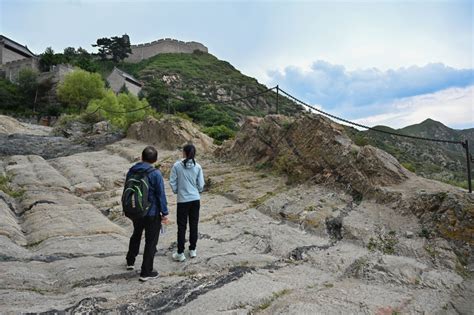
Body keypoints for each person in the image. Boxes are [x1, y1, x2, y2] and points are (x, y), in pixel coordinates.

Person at [125, 146, 169, 281]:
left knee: (136, 234)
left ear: (141, 156)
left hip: (136, 210)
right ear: (155, 159)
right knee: (151, 242)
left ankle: (130, 261)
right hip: (152, 212)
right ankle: (146, 272)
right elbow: (160, 194)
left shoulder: (132, 170)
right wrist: (165, 212)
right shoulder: (155, 173)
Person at [169, 144, 204, 262]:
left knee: (182, 226)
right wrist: (196, 191)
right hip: (195, 199)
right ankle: (193, 249)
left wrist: (177, 191)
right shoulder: (198, 167)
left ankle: (180, 253)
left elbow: (172, 181)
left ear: (184, 152)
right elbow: (201, 184)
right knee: (194, 225)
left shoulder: (177, 166)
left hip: (183, 200)